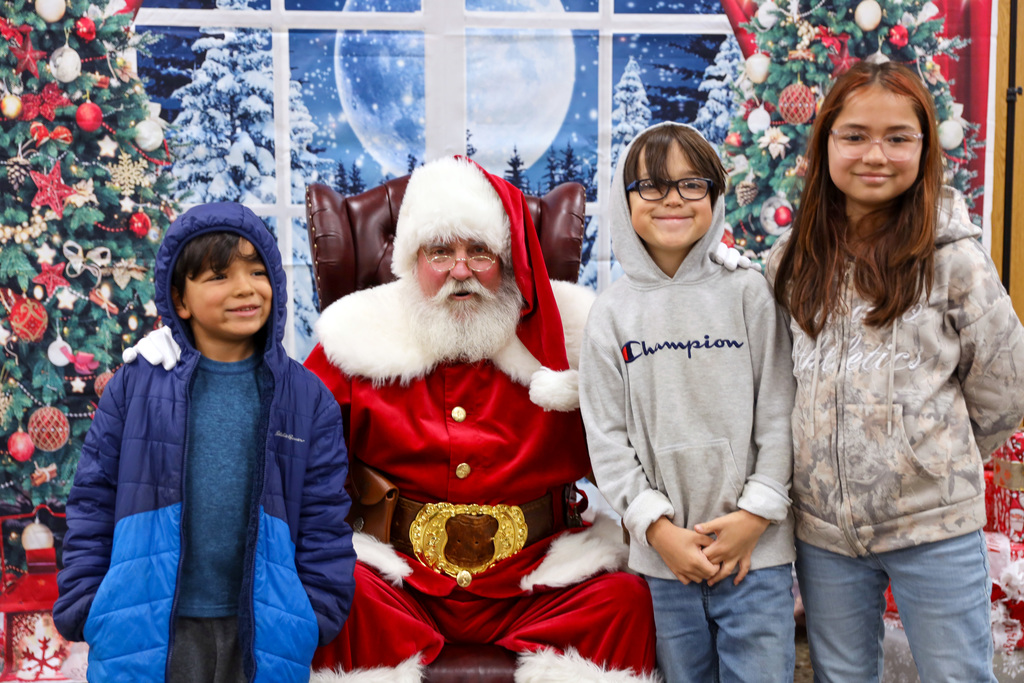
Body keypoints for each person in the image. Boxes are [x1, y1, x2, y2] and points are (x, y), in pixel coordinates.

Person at [297, 155, 666, 683]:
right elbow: (296, 454)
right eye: (440, 252)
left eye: (479, 252)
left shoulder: (569, 341)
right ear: (412, 261)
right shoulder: (356, 343)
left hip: (540, 580)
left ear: (508, 261)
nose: (461, 270)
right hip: (397, 578)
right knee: (337, 594)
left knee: (623, 600)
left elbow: (632, 451)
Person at [765, 61, 1024, 683]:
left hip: (934, 528)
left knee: (957, 675)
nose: (875, 155)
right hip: (826, 535)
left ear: (924, 146)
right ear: (825, 142)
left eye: (898, 137)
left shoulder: (955, 261)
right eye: (855, 136)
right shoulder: (792, 261)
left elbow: (1005, 387)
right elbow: (777, 382)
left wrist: (927, 454)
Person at [53, 203, 357, 683]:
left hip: (263, 632)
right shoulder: (135, 386)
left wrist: (314, 614)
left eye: (257, 271)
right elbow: (93, 499)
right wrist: (88, 602)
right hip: (145, 628)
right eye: (219, 276)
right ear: (180, 300)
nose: (245, 288)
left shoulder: (307, 398)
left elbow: (325, 517)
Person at [578, 122, 797, 683]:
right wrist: (658, 531)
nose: (672, 199)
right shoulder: (611, 314)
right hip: (664, 564)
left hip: (755, 557)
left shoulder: (748, 292)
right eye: (652, 185)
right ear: (625, 199)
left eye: (691, 184)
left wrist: (755, 515)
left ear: (715, 194)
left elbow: (780, 413)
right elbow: (607, 440)